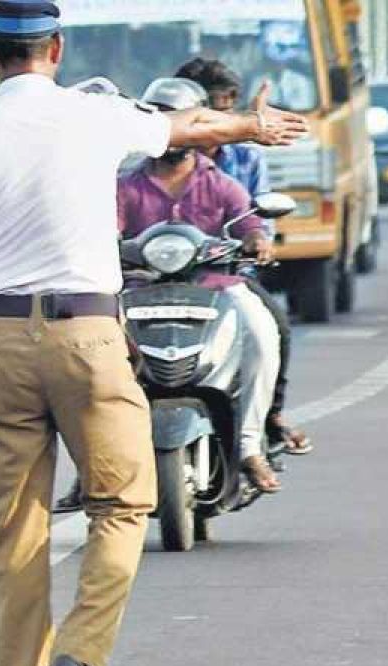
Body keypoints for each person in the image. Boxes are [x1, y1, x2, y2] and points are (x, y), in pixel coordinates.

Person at [0, 3, 308, 666]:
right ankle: (80, 654)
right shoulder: (94, 117)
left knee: (15, 530)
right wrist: (253, 126)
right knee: (123, 501)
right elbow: (190, 122)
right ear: (56, 48)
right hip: (88, 334)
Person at [117, 77, 283, 492]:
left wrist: (257, 240)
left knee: (263, 336)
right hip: (140, 291)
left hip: (217, 288)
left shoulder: (221, 183)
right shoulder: (125, 185)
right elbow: (105, 228)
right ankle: (93, 466)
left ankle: (248, 446)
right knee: (91, 354)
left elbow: (248, 221)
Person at [175, 57, 312, 454]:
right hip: (156, 278)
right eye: (216, 107)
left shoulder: (243, 161)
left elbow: (254, 220)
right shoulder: (151, 157)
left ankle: (269, 418)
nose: (225, 117)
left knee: (273, 326)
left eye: (230, 106)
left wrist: (257, 242)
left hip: (225, 274)